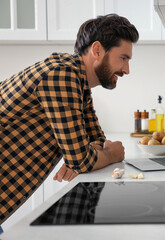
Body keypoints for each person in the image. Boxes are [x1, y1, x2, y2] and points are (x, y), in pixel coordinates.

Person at [0, 14, 139, 226]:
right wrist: (110, 154)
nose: (127, 70)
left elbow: (96, 142)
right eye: (123, 58)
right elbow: (82, 159)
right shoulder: (61, 75)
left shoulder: (76, 80)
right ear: (97, 50)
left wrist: (92, 154)